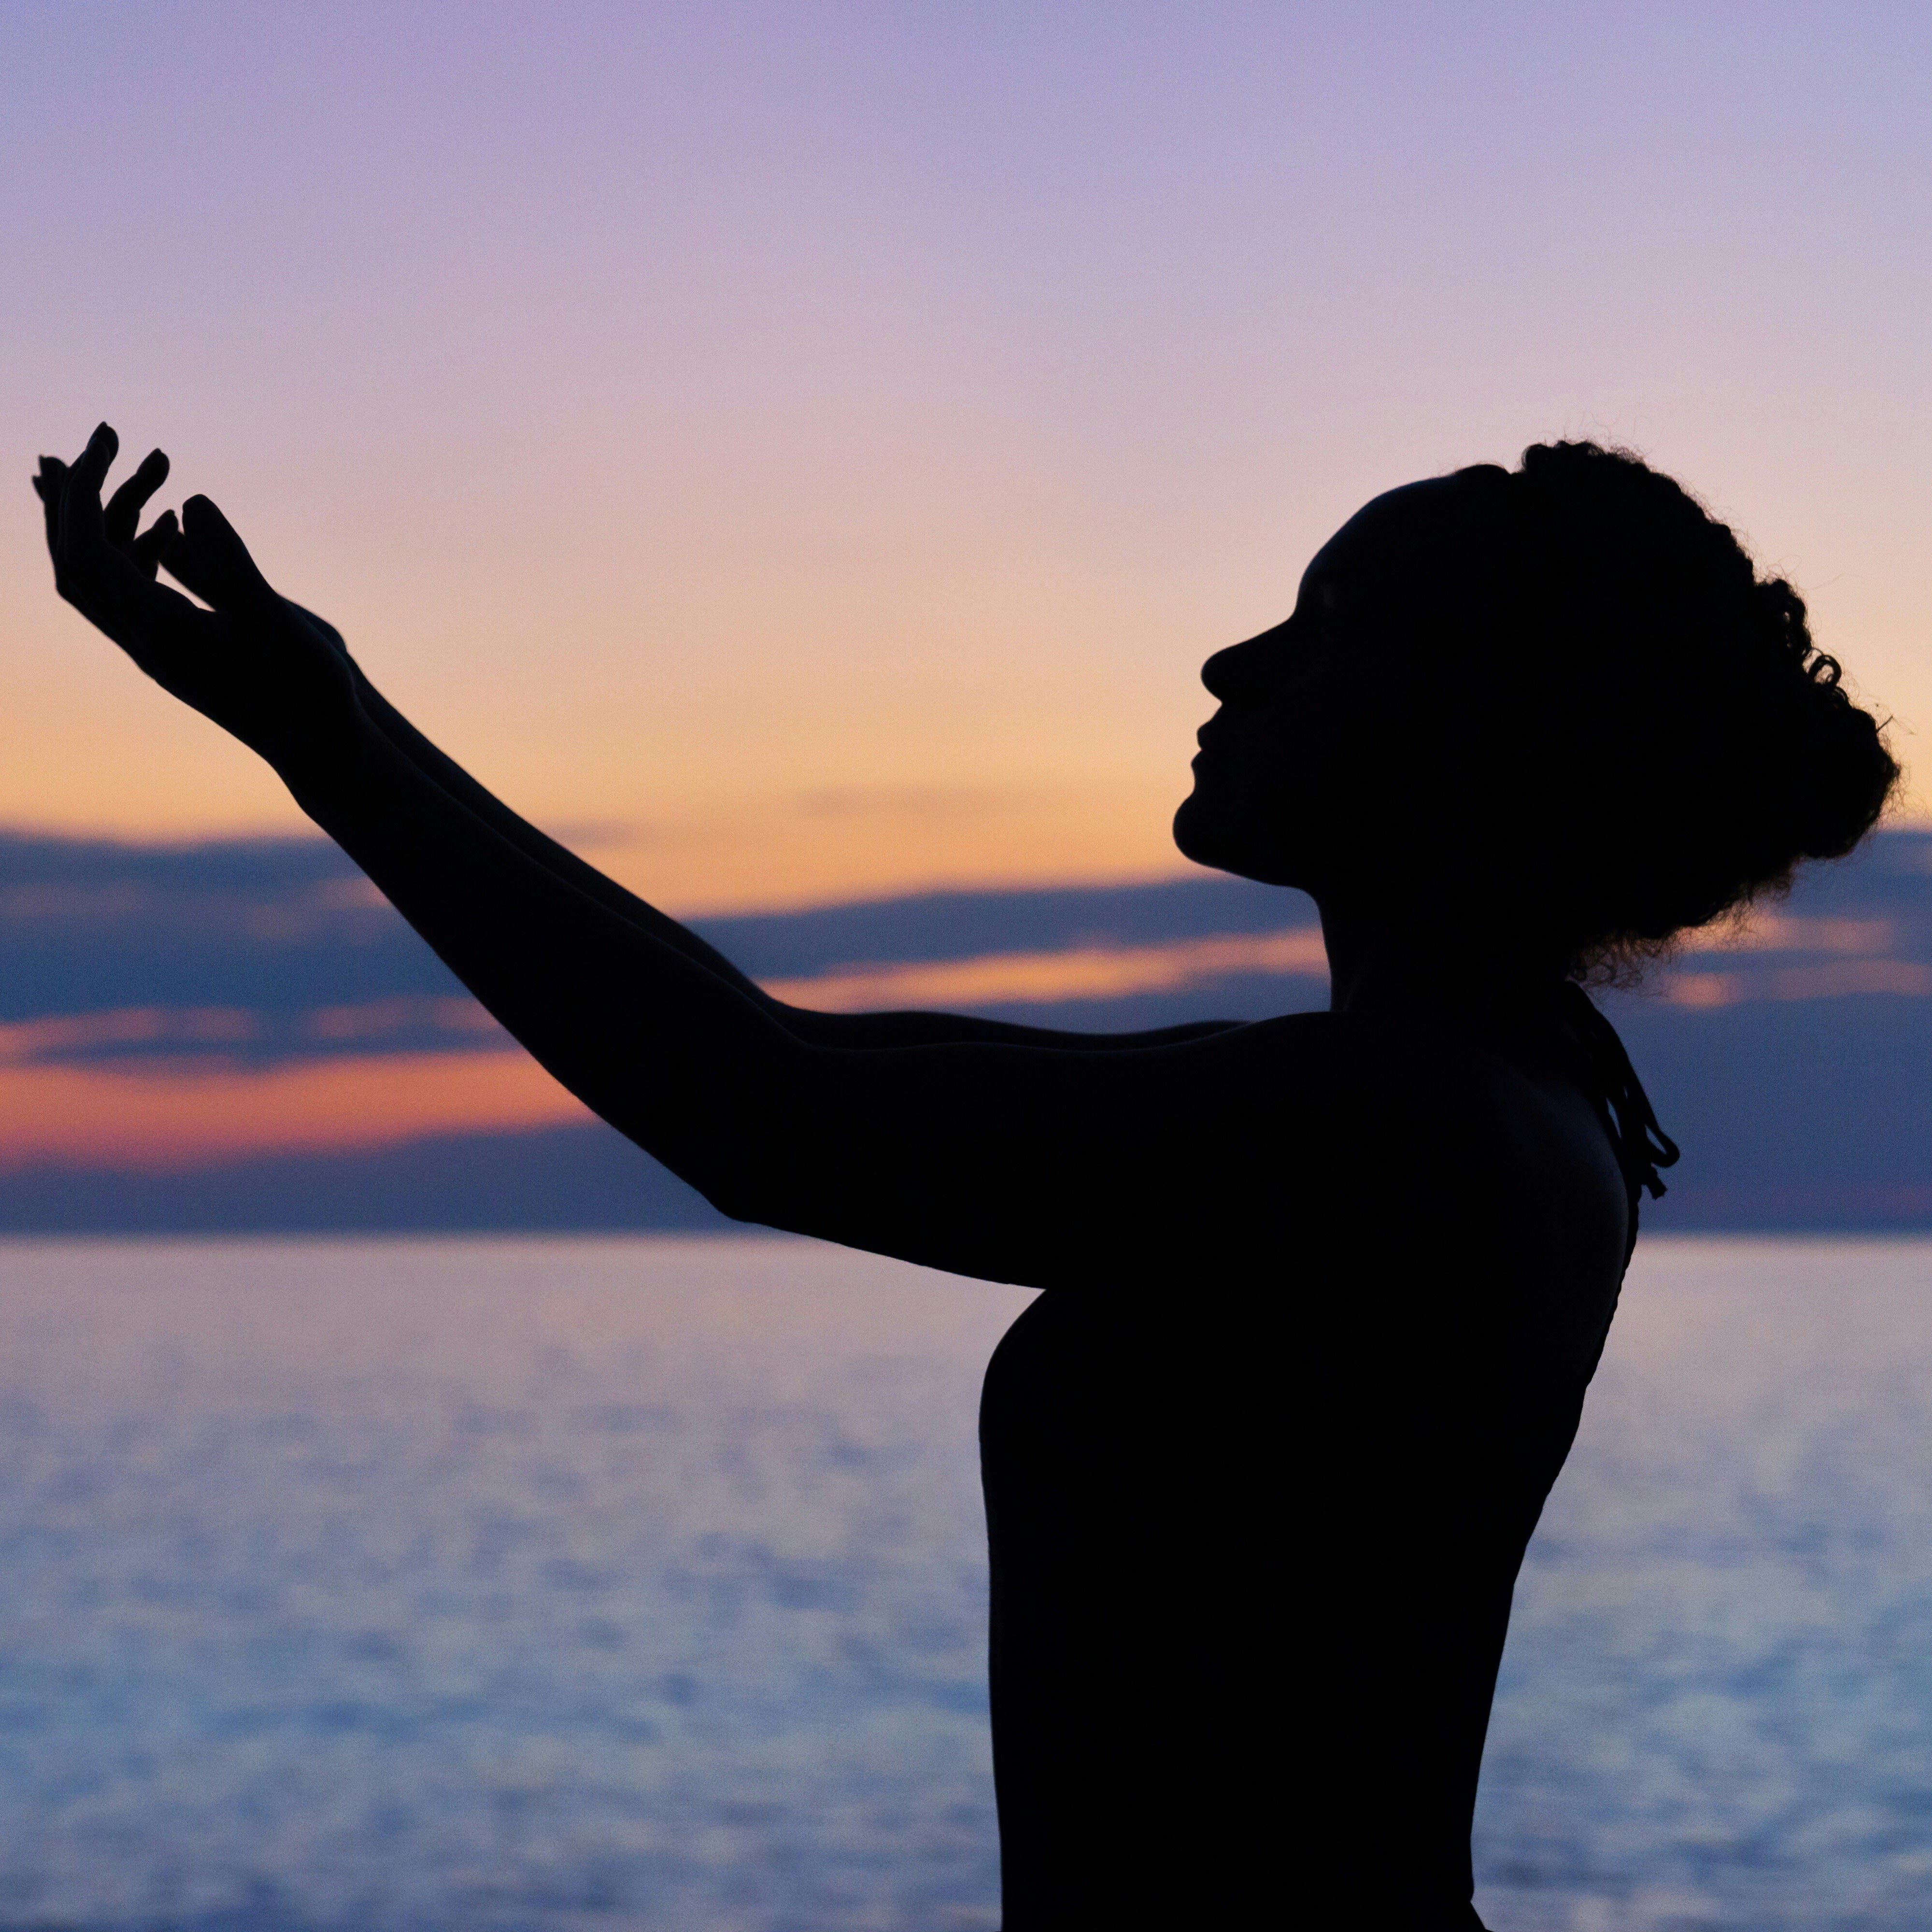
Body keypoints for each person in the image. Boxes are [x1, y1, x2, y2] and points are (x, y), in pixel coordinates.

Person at [35, 425, 1899, 1928]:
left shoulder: (1397, 1128)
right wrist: (338, 721)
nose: (1231, 660)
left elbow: (756, 1119)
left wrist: (321, 748)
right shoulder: (1458, 1087)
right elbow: (788, 1050)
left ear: (1455, 723)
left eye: (1316, 629)